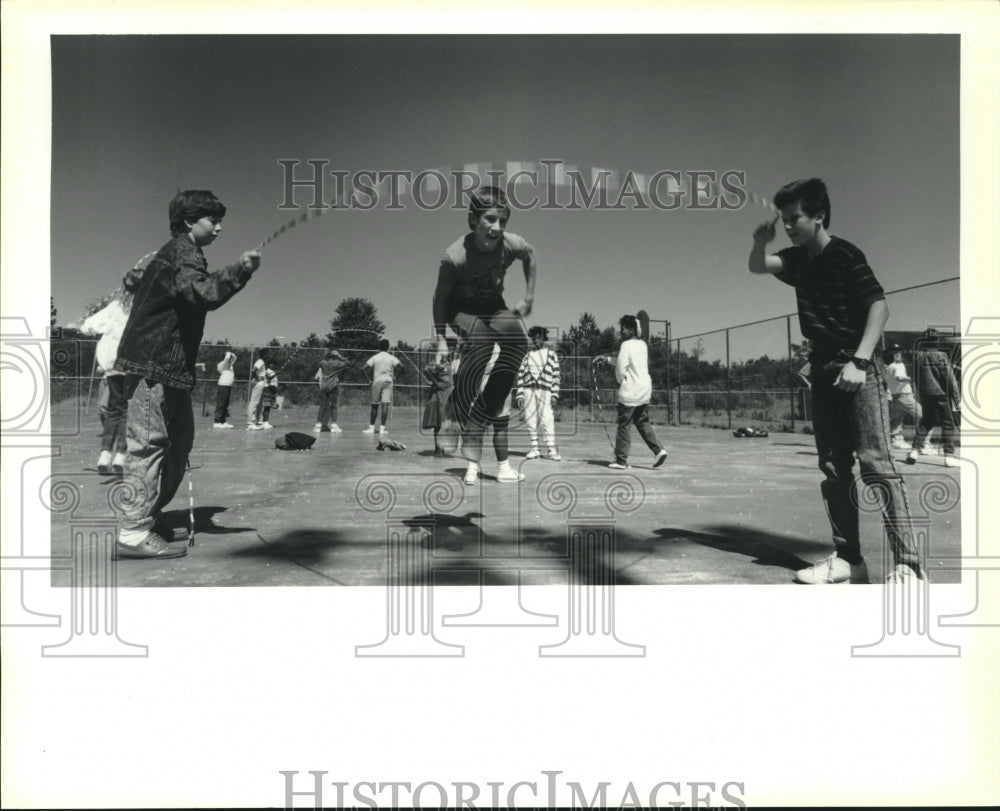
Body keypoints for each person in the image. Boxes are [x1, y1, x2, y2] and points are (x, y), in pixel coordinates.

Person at [749, 177, 922, 584]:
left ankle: (909, 565)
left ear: (819, 216)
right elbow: (759, 265)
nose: (788, 226)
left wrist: (860, 362)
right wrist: (761, 240)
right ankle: (849, 560)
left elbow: (879, 307)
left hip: (854, 364)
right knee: (833, 466)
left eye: (796, 219)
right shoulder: (796, 259)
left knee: (876, 462)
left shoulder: (844, 254)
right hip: (824, 367)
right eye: (785, 220)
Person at [113, 189, 261, 560]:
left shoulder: (189, 253)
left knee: (178, 445)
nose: (220, 227)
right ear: (187, 222)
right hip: (152, 365)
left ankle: (147, 515)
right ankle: (132, 532)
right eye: (212, 220)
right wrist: (240, 270)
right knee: (148, 446)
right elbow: (202, 292)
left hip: (171, 369)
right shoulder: (181, 251)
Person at [431, 186, 537, 471]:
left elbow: (530, 257)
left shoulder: (511, 243)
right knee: (482, 340)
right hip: (460, 310)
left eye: (502, 221)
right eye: (489, 219)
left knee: (519, 341)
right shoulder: (454, 257)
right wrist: (441, 339)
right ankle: (455, 412)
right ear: (472, 220)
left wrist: (528, 295)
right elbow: (440, 299)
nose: (496, 227)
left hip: (493, 306)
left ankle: (479, 419)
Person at [79, 266, 145, 474]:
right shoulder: (144, 307)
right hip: (131, 361)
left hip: (111, 361)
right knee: (127, 409)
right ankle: (121, 453)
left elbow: (88, 326)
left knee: (115, 409)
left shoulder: (115, 306)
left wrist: (86, 323)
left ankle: (105, 453)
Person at [600, 315, 668, 471]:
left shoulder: (625, 345)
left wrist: (619, 381)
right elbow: (629, 362)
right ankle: (659, 450)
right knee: (642, 422)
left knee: (624, 426)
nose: (621, 331)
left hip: (630, 392)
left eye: (623, 328)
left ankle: (621, 460)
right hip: (644, 390)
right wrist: (607, 359)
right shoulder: (642, 345)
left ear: (631, 329)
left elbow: (621, 367)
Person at [463, 343, 524, 485]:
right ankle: (504, 470)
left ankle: (471, 471)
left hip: (479, 380)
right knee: (500, 426)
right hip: (498, 378)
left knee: (476, 426)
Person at [907, 336, 960, 468]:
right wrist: (956, 399)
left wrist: (918, 393)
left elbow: (916, 378)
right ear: (937, 342)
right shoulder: (941, 356)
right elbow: (950, 379)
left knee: (926, 422)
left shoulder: (918, 357)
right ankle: (949, 456)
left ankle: (914, 451)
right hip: (941, 394)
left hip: (925, 394)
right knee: (948, 424)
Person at [515, 325, 561, 461]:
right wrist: (520, 394)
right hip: (528, 390)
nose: (535, 341)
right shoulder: (527, 356)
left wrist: (554, 394)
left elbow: (556, 376)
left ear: (544, 338)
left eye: (538, 338)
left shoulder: (551, 354)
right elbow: (521, 375)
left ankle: (551, 449)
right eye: (533, 339)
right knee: (530, 419)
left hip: (545, 391)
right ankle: (534, 449)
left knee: (547, 418)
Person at [883, 344, 921, 450]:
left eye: (899, 351)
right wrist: (908, 378)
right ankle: (923, 444)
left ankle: (895, 440)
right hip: (904, 397)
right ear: (891, 354)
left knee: (894, 421)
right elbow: (899, 378)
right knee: (924, 416)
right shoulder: (899, 365)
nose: (898, 354)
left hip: (895, 398)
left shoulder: (888, 367)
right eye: (895, 352)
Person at [422, 342, 456, 455]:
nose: (451, 352)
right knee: (438, 422)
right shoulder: (440, 364)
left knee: (445, 422)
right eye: (449, 350)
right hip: (440, 394)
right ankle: (437, 450)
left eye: (452, 350)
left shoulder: (449, 363)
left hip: (448, 393)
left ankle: (441, 448)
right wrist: (436, 382)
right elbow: (426, 369)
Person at [364, 339, 401, 434]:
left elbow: (363, 368)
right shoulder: (391, 357)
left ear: (379, 347)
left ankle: (371, 428)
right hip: (388, 381)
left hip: (377, 381)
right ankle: (382, 429)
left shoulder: (375, 357)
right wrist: (396, 377)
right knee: (385, 405)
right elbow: (402, 366)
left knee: (374, 405)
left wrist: (368, 380)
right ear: (388, 347)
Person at [314, 348, 349, 433]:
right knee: (333, 406)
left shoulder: (323, 363)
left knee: (322, 406)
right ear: (334, 356)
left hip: (323, 386)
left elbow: (321, 361)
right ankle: (334, 425)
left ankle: (318, 426)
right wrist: (339, 356)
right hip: (332, 386)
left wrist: (326, 354)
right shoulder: (336, 363)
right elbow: (348, 363)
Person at [213, 350, 237, 428]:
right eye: (229, 358)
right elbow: (226, 359)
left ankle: (223, 421)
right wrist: (228, 354)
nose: (230, 359)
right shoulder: (221, 365)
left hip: (228, 386)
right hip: (223, 385)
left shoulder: (230, 366)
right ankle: (217, 422)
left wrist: (231, 354)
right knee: (221, 404)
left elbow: (235, 358)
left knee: (225, 404)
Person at [246, 350, 267, 430]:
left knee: (260, 403)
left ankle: (258, 422)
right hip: (258, 384)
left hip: (261, 384)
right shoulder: (260, 361)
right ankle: (250, 423)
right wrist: (257, 378)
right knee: (254, 402)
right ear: (264, 355)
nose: (268, 356)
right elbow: (253, 370)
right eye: (267, 354)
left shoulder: (262, 362)